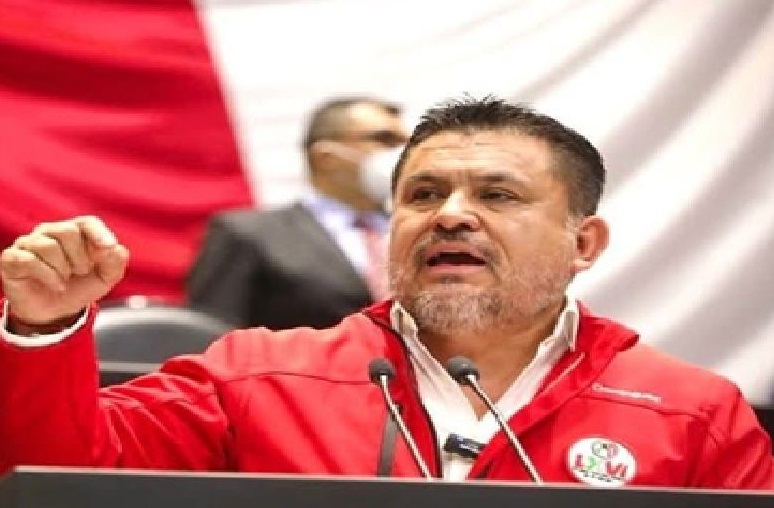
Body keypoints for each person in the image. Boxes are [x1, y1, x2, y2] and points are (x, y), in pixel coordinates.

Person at [0, 96, 771, 489]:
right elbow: (54, 477)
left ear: (583, 244)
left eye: (497, 195)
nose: (450, 215)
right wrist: (43, 328)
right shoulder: (256, 375)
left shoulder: (694, 414)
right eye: (423, 194)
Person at [186, 96, 408, 329]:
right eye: (385, 140)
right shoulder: (250, 234)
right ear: (325, 158)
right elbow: (210, 331)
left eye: (408, 143)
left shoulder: (416, 229)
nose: (403, 153)